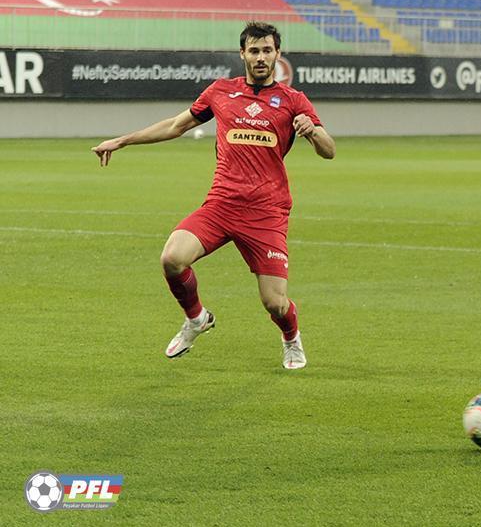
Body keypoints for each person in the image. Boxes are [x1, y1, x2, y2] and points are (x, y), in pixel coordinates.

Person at [91, 21, 335, 370]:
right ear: (242, 54)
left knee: (275, 303)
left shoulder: (293, 100)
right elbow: (176, 125)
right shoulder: (221, 91)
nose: (261, 57)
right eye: (254, 51)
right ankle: (196, 318)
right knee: (172, 258)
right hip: (221, 205)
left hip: (266, 211)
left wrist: (312, 132)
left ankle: (291, 337)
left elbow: (329, 150)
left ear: (277, 54)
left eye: (267, 50)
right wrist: (122, 140)